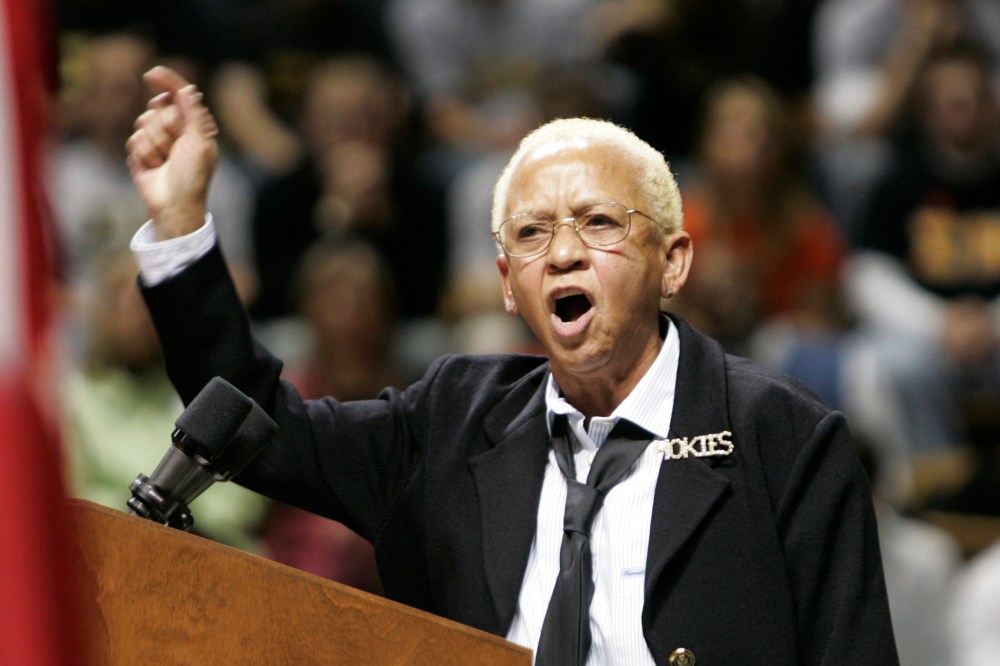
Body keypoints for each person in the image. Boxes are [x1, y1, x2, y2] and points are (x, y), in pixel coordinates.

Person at [125, 65, 899, 664]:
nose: (562, 251)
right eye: (531, 235)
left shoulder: (781, 436)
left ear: (673, 263)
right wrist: (181, 221)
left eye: (599, 223)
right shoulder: (451, 422)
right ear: (506, 286)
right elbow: (255, 422)